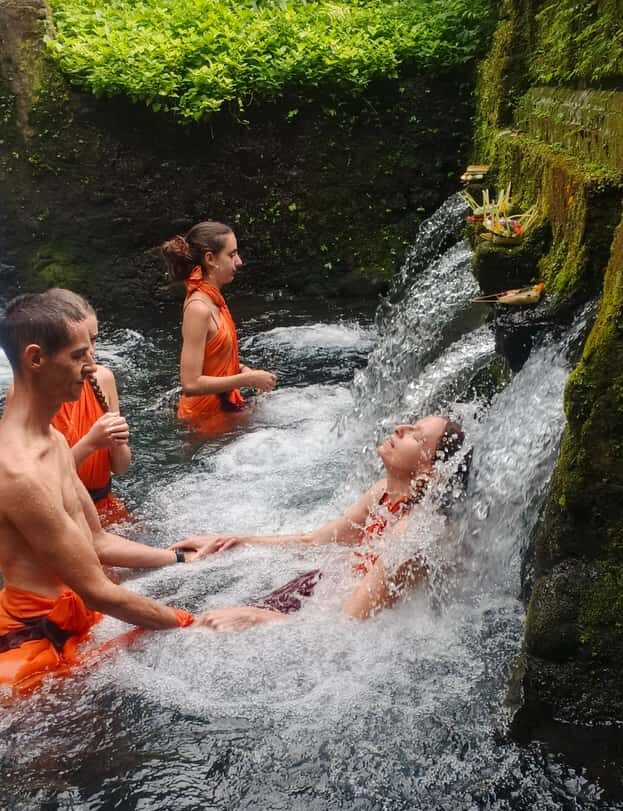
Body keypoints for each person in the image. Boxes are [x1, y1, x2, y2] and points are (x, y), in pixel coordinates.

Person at [0, 290, 228, 691]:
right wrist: (193, 624)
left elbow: (98, 541)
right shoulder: (18, 473)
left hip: (81, 618)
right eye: (78, 356)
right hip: (32, 640)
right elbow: (99, 592)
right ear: (35, 359)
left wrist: (180, 557)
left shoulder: (53, 441)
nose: (91, 367)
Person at [174, 415, 467, 629]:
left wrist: (254, 617)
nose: (401, 428)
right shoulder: (383, 493)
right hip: (323, 594)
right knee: (194, 621)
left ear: (430, 473)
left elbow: (348, 626)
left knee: (199, 627)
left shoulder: (412, 532)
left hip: (335, 627)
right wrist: (238, 541)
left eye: (416, 436)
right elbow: (313, 541)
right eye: (411, 425)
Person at [161, 221, 277, 434]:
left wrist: (242, 369)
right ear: (210, 259)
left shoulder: (214, 299)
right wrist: (248, 379)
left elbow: (213, 360)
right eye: (232, 255)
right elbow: (190, 383)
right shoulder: (198, 308)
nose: (239, 262)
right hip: (203, 422)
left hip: (226, 410)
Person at [50, 295, 131, 525]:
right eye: (82, 346)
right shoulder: (36, 394)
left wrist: (118, 442)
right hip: (61, 516)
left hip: (104, 506)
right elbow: (43, 480)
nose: (92, 352)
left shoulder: (103, 379)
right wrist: (91, 443)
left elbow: (121, 467)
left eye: (94, 340)